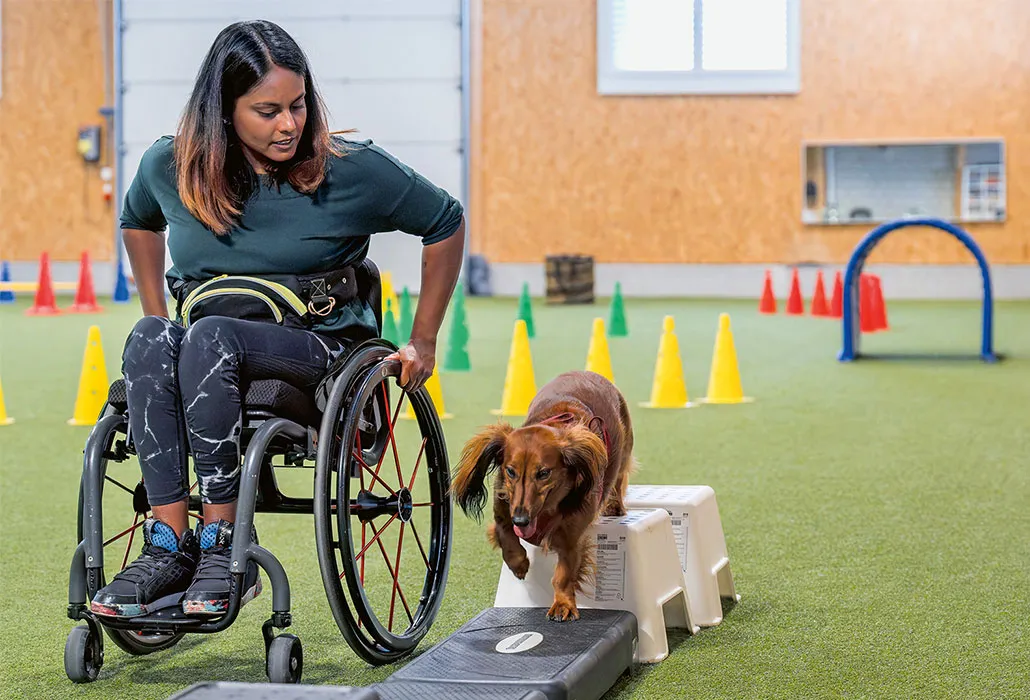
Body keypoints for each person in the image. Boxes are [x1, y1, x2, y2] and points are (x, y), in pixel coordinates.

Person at [90, 19, 465, 619]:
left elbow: (445, 221)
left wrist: (424, 339)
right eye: (267, 111)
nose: (289, 123)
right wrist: (159, 316)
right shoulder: (172, 165)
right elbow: (137, 219)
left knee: (208, 339)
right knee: (148, 338)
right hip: (208, 349)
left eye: (297, 105)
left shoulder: (352, 169)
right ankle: (169, 544)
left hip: (318, 353)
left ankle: (221, 543)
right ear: (223, 111)